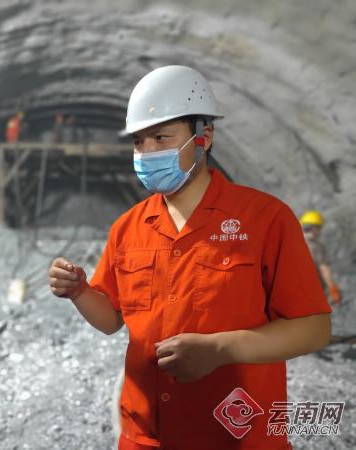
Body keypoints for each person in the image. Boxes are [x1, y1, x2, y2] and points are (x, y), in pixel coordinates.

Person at [48, 65, 331, 450]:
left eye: (162, 137)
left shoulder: (265, 219)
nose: (147, 152)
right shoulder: (128, 227)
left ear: (204, 138)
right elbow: (112, 320)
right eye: (139, 141)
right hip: (145, 437)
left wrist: (221, 349)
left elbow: (314, 328)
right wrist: (80, 291)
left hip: (236, 437)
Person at [300, 210, 342, 305]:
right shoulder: (316, 246)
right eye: (319, 228)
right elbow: (323, 268)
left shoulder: (290, 242)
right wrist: (332, 287)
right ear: (314, 228)